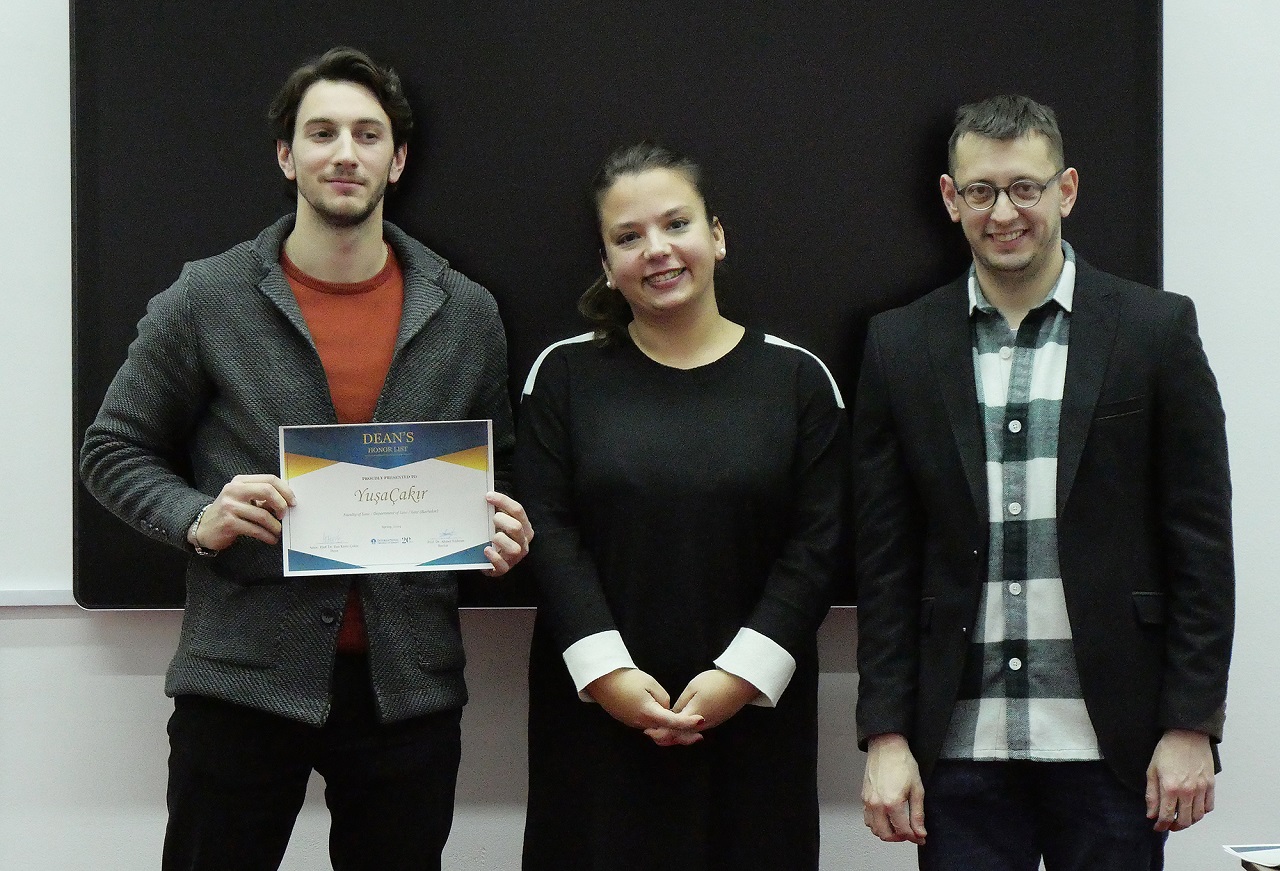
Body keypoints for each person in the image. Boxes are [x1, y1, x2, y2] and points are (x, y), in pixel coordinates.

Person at [79, 47, 532, 871]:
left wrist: (501, 528)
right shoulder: (208, 296)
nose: (344, 153)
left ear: (398, 160)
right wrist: (199, 517)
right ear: (287, 156)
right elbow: (112, 447)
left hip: (407, 690)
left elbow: (497, 469)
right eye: (321, 133)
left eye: (367, 134)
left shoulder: (466, 312)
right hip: (240, 678)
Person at [853, 94, 1234, 869]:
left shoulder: (1155, 331)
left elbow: (1200, 544)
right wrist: (886, 734)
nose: (1004, 213)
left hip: (1115, 746)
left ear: (1066, 189)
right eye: (982, 191)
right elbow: (885, 562)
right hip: (958, 751)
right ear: (950, 198)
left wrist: (1192, 722)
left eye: (1025, 187)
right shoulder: (900, 345)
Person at [516, 142, 848, 870]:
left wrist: (741, 677)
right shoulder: (563, 374)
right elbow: (548, 533)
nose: (657, 250)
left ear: (717, 235)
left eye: (676, 224)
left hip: (753, 723)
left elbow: (819, 545)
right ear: (608, 265)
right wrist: (607, 674)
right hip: (597, 721)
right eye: (628, 236)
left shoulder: (798, 380)